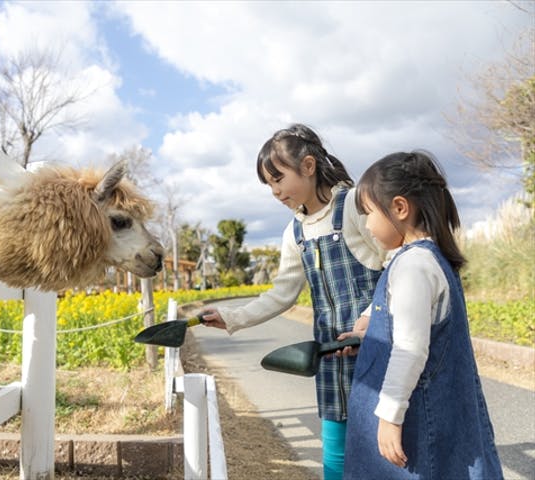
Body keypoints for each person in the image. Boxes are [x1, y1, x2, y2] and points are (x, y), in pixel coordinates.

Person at [199, 123, 388, 480]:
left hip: (375, 345)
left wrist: (367, 319)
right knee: (334, 455)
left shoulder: (353, 207)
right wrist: (232, 317)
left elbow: (393, 266)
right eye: (268, 184)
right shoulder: (295, 232)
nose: (274, 191)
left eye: (278, 179)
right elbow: (281, 294)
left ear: (309, 166)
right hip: (331, 354)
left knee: (385, 446)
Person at [342, 151, 503, 479]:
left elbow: (410, 349)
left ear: (400, 208)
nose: (367, 225)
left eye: (368, 213)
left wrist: (389, 416)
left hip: (415, 421)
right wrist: (370, 339)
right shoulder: (428, 259)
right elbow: (409, 330)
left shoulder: (413, 265)